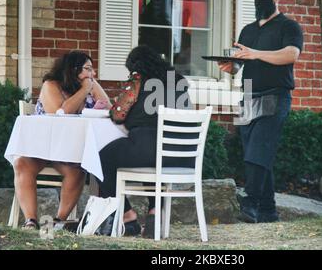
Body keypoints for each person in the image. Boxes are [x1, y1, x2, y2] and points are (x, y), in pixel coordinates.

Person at [219, 0, 303, 223]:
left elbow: (291, 55)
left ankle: (251, 202)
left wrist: (255, 53)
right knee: (253, 151)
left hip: (274, 94)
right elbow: (238, 65)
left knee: (259, 148)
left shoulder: (289, 26)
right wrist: (229, 66)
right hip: (248, 95)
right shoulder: (248, 30)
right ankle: (268, 210)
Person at [98, 45, 193, 238]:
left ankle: (128, 216)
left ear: (135, 67)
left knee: (101, 158)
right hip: (182, 155)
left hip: (149, 146)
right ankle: (154, 212)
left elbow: (118, 114)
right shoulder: (179, 81)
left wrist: (114, 106)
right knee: (146, 159)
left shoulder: (138, 79)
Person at [13, 51, 111, 229]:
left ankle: (57, 221)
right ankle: (31, 220)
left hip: (69, 150)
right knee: (21, 163)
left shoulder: (90, 84)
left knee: (77, 170)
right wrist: (84, 90)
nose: (93, 74)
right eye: (88, 69)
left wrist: (92, 86)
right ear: (74, 70)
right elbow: (61, 113)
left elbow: (110, 110)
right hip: (41, 147)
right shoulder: (51, 85)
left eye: (93, 70)